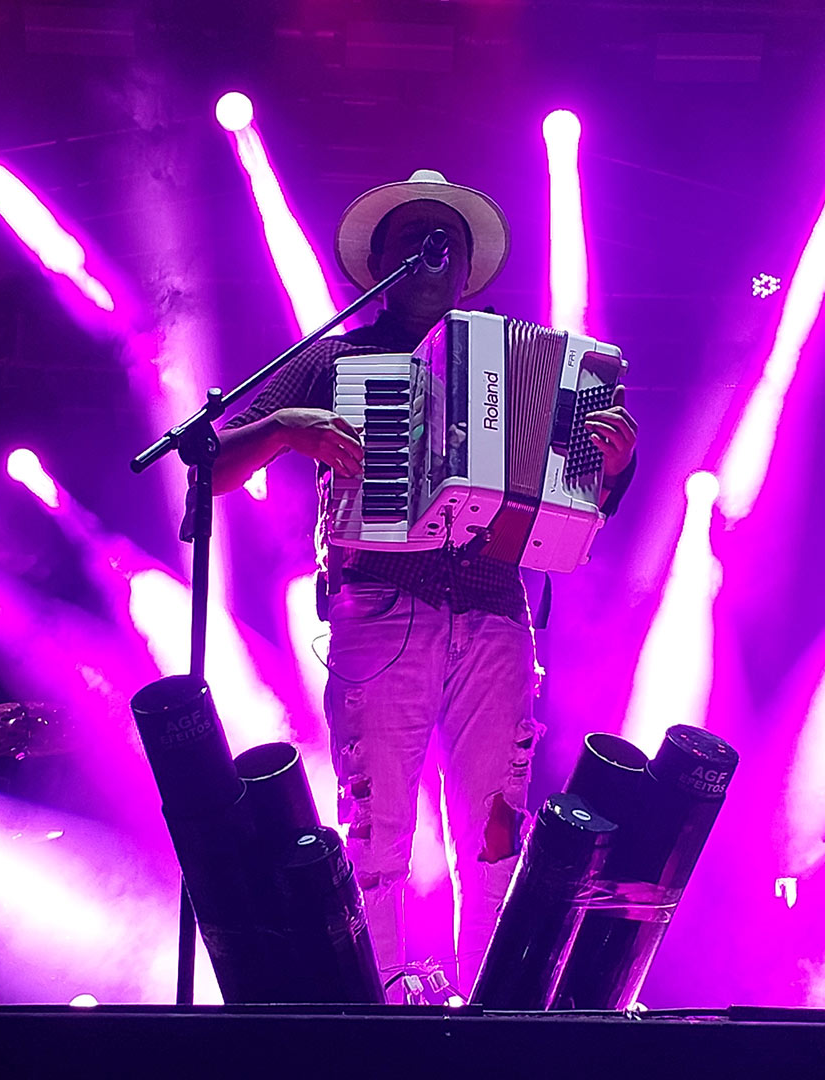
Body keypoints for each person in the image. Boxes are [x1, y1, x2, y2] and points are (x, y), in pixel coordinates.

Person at [214, 170, 637, 995]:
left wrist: (612, 465)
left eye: (448, 242)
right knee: (376, 831)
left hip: (497, 612)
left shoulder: (523, 358)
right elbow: (214, 461)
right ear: (378, 263)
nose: (432, 252)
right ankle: (376, 1011)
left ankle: (497, 1010)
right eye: (414, 237)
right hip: (378, 603)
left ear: (468, 268)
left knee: (495, 830)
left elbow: (579, 498)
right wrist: (285, 426)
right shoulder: (335, 357)